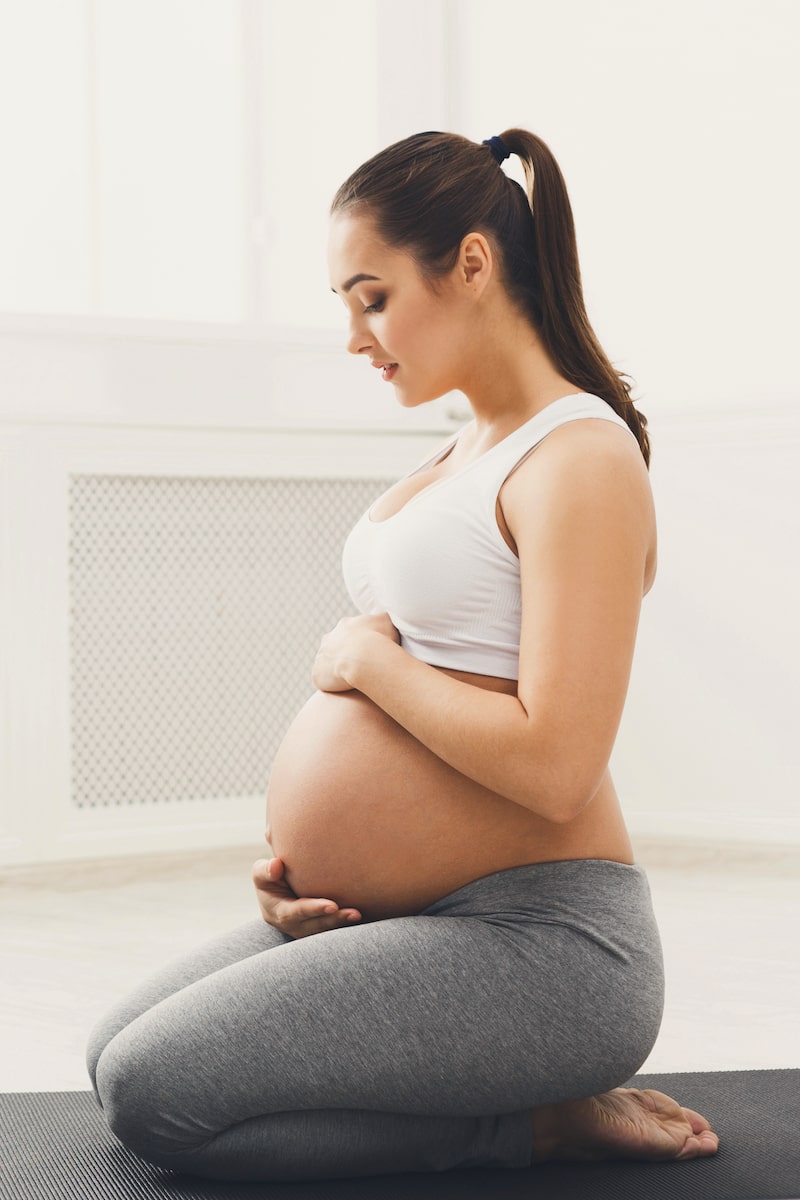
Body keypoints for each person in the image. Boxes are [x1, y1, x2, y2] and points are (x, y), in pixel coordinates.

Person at [87, 128, 719, 1181]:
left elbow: (555, 762)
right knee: (112, 1057)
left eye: (370, 297)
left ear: (469, 263)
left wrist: (363, 663)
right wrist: (315, 865)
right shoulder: (461, 447)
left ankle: (534, 1123)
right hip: (420, 917)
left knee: (159, 1098)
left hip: (549, 944)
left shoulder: (580, 457)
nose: (353, 337)